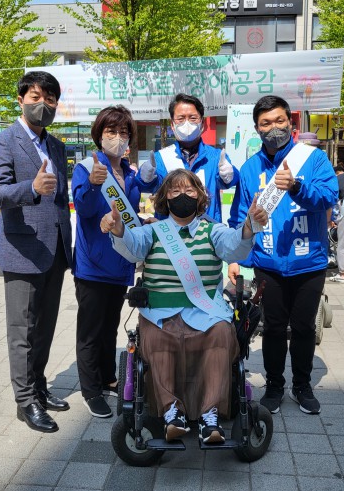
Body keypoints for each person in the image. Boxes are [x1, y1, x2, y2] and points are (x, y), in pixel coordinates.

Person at [101, 169, 267, 443]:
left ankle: (210, 414)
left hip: (206, 312)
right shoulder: (152, 231)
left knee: (221, 334)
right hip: (160, 313)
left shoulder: (213, 230)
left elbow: (233, 247)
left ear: (200, 197)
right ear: (165, 197)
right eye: (175, 191)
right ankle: (171, 412)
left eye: (189, 191)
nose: (182, 196)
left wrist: (249, 226)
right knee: (157, 339)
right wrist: (118, 228)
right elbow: (133, 247)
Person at [228, 95, 338, 415]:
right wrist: (237, 258)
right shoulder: (250, 168)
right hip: (269, 263)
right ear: (257, 129)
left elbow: (329, 197)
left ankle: (302, 386)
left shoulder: (313, 159)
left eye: (279, 120)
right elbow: (240, 217)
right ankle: (275, 385)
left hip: (309, 262)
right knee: (273, 328)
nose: (273, 127)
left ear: (291, 122)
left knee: (303, 327)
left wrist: (297, 187)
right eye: (265, 123)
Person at [0, 71, 72, 433]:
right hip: (21, 250)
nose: (43, 105)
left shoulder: (57, 146)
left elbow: (62, 198)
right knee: (23, 329)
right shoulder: (3, 142)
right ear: (21, 99)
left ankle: (38, 385)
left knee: (46, 327)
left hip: (55, 249)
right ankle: (25, 401)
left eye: (50, 99)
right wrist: (32, 188)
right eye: (36, 97)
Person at [71, 105, 143, 418]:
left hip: (120, 263)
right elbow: (84, 208)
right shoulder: (87, 167)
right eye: (111, 131)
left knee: (110, 327)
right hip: (93, 266)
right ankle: (91, 390)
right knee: (90, 331)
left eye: (123, 132)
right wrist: (92, 183)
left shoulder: (130, 173)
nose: (118, 137)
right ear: (99, 135)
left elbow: (131, 214)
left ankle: (107, 377)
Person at [136, 93, 239, 222]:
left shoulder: (216, 157)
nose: (187, 123)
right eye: (181, 118)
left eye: (192, 118)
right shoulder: (160, 158)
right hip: (171, 231)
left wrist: (230, 176)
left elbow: (229, 182)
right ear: (172, 125)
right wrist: (145, 179)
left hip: (207, 229)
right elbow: (146, 186)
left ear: (202, 123)